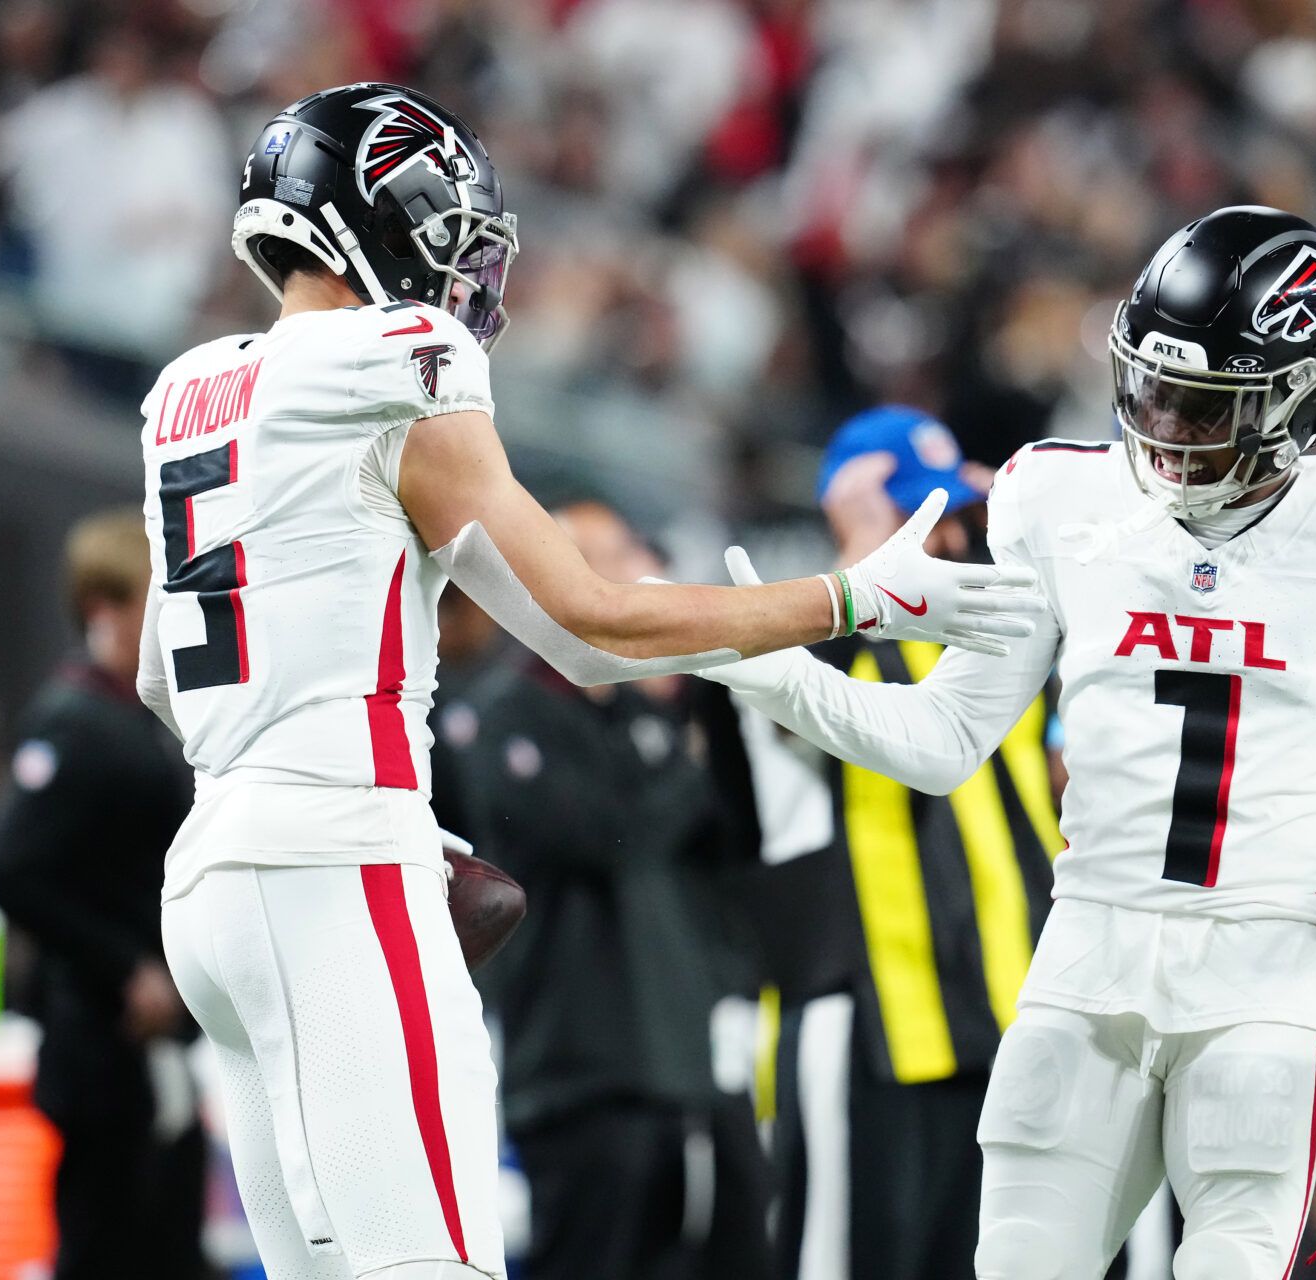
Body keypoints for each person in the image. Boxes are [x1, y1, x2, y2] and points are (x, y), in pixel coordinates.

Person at [138, 83, 1042, 1280]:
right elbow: (594, 625)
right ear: (373, 212)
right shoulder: (400, 354)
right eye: (442, 229)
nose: (459, 272)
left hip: (209, 878)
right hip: (335, 854)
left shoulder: (188, 393)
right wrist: (853, 598)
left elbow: (163, 672)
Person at [702, 206, 1316, 1279]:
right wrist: (776, 668)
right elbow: (943, 739)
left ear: (1297, 396)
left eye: (1203, 403)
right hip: (1087, 954)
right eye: (1152, 389)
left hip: (1258, 977)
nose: (1164, 424)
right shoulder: (1065, 498)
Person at [747, 408, 1070, 1280]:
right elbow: (786, 721)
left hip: (1009, 1011)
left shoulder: (1010, 636)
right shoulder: (797, 643)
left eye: (959, 513)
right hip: (869, 1025)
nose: (956, 536)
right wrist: (855, 567)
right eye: (924, 517)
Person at [459, 498, 774, 1280]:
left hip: (678, 1064)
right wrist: (682, 768)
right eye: (608, 558)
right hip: (576, 1072)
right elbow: (602, 837)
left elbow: (731, 842)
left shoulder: (648, 712)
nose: (638, 573)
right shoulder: (500, 715)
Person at [0, 510, 208, 1280]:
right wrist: (124, 967)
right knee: (109, 1247)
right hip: (101, 1043)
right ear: (106, 608)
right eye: (156, 599)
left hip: (149, 1049)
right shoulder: (76, 723)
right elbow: (10, 867)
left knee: (165, 1243)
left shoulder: (137, 719)